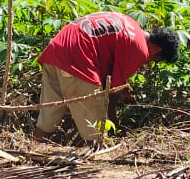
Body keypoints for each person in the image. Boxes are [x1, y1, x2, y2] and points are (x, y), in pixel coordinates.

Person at [33, 13, 180, 146]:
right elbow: (111, 91)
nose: (149, 62)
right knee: (95, 128)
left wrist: (124, 89)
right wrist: (114, 120)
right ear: (156, 50)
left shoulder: (131, 24)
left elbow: (112, 64)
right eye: (155, 60)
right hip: (77, 61)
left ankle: (33, 150)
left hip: (55, 51)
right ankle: (96, 160)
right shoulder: (140, 48)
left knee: (49, 113)